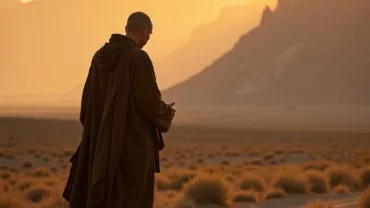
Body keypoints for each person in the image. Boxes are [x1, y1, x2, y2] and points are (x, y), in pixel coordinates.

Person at [62, 11, 176, 208]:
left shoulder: (99, 57)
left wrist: (99, 131)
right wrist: (166, 112)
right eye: (149, 35)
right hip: (132, 146)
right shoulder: (138, 58)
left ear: (125, 30)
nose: (148, 39)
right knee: (132, 196)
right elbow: (149, 103)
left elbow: (87, 102)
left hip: (100, 142)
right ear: (144, 31)